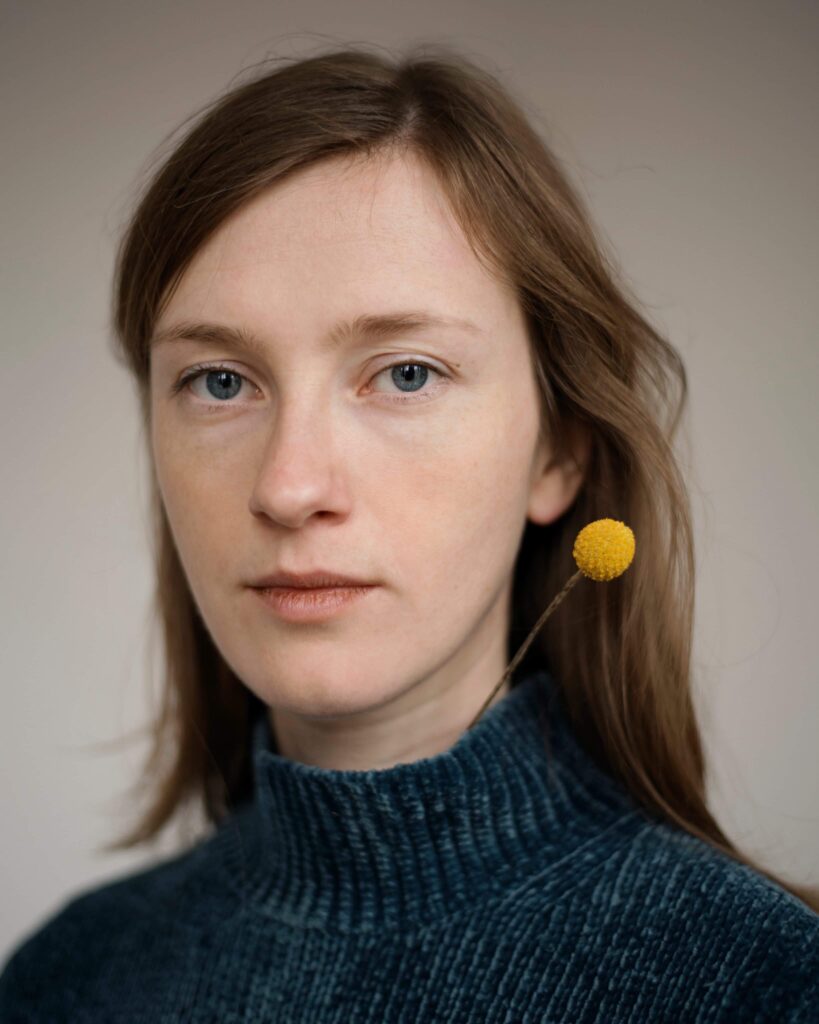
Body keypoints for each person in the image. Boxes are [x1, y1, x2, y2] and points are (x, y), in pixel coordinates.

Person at [1, 42, 816, 1023]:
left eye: (406, 373)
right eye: (220, 382)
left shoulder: (758, 982)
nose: (290, 487)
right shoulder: (64, 983)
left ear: (559, 450)